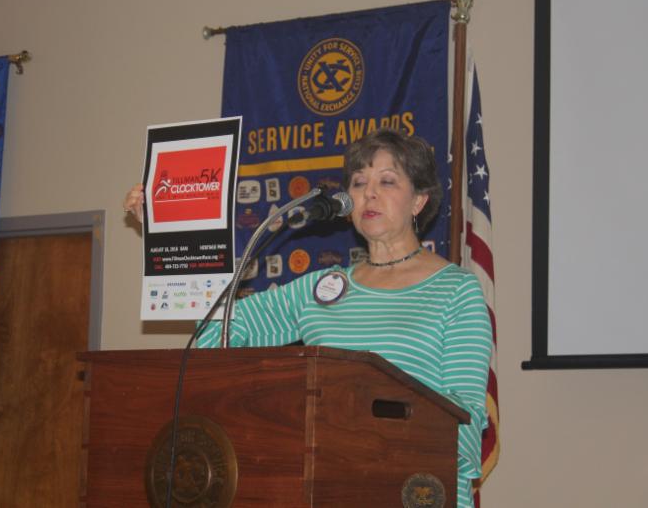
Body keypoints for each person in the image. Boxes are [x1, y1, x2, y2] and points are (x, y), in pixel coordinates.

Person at [124, 128, 492, 508]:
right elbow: (219, 330)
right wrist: (170, 232)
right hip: (326, 490)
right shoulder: (321, 288)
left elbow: (463, 413)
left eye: (387, 181)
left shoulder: (455, 289)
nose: (369, 193)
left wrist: (380, 452)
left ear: (418, 200)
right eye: (358, 182)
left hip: (412, 491)